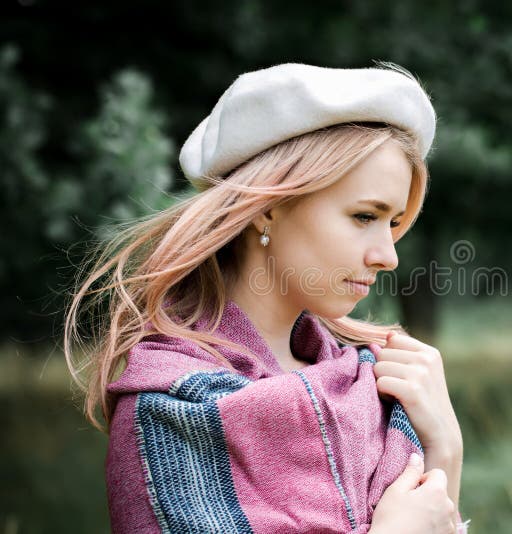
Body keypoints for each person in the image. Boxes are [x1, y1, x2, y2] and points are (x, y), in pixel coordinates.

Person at [63, 61, 470, 533]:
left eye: (394, 223)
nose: (388, 256)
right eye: (364, 216)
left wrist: (445, 451)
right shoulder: (170, 412)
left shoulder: (373, 384)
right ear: (269, 208)